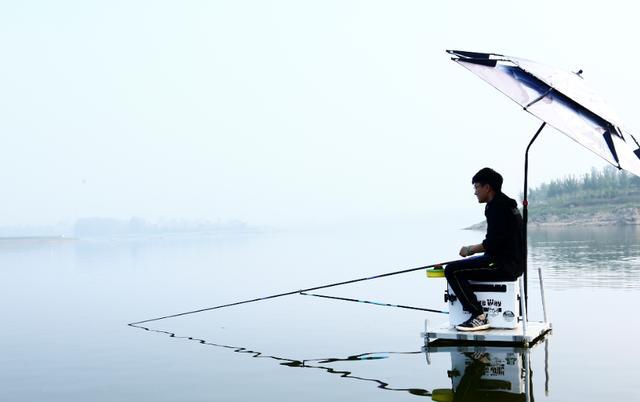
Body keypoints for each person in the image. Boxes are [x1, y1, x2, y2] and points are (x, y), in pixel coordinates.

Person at [445, 167, 524, 331]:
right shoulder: (506, 204)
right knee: (457, 268)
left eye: (477, 187)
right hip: (512, 263)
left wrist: (469, 250)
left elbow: (492, 244)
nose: (475, 192)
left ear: (487, 187)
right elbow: (499, 242)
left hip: (503, 265)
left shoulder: (497, 207)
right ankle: (476, 313)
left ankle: (478, 316)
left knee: (452, 270)